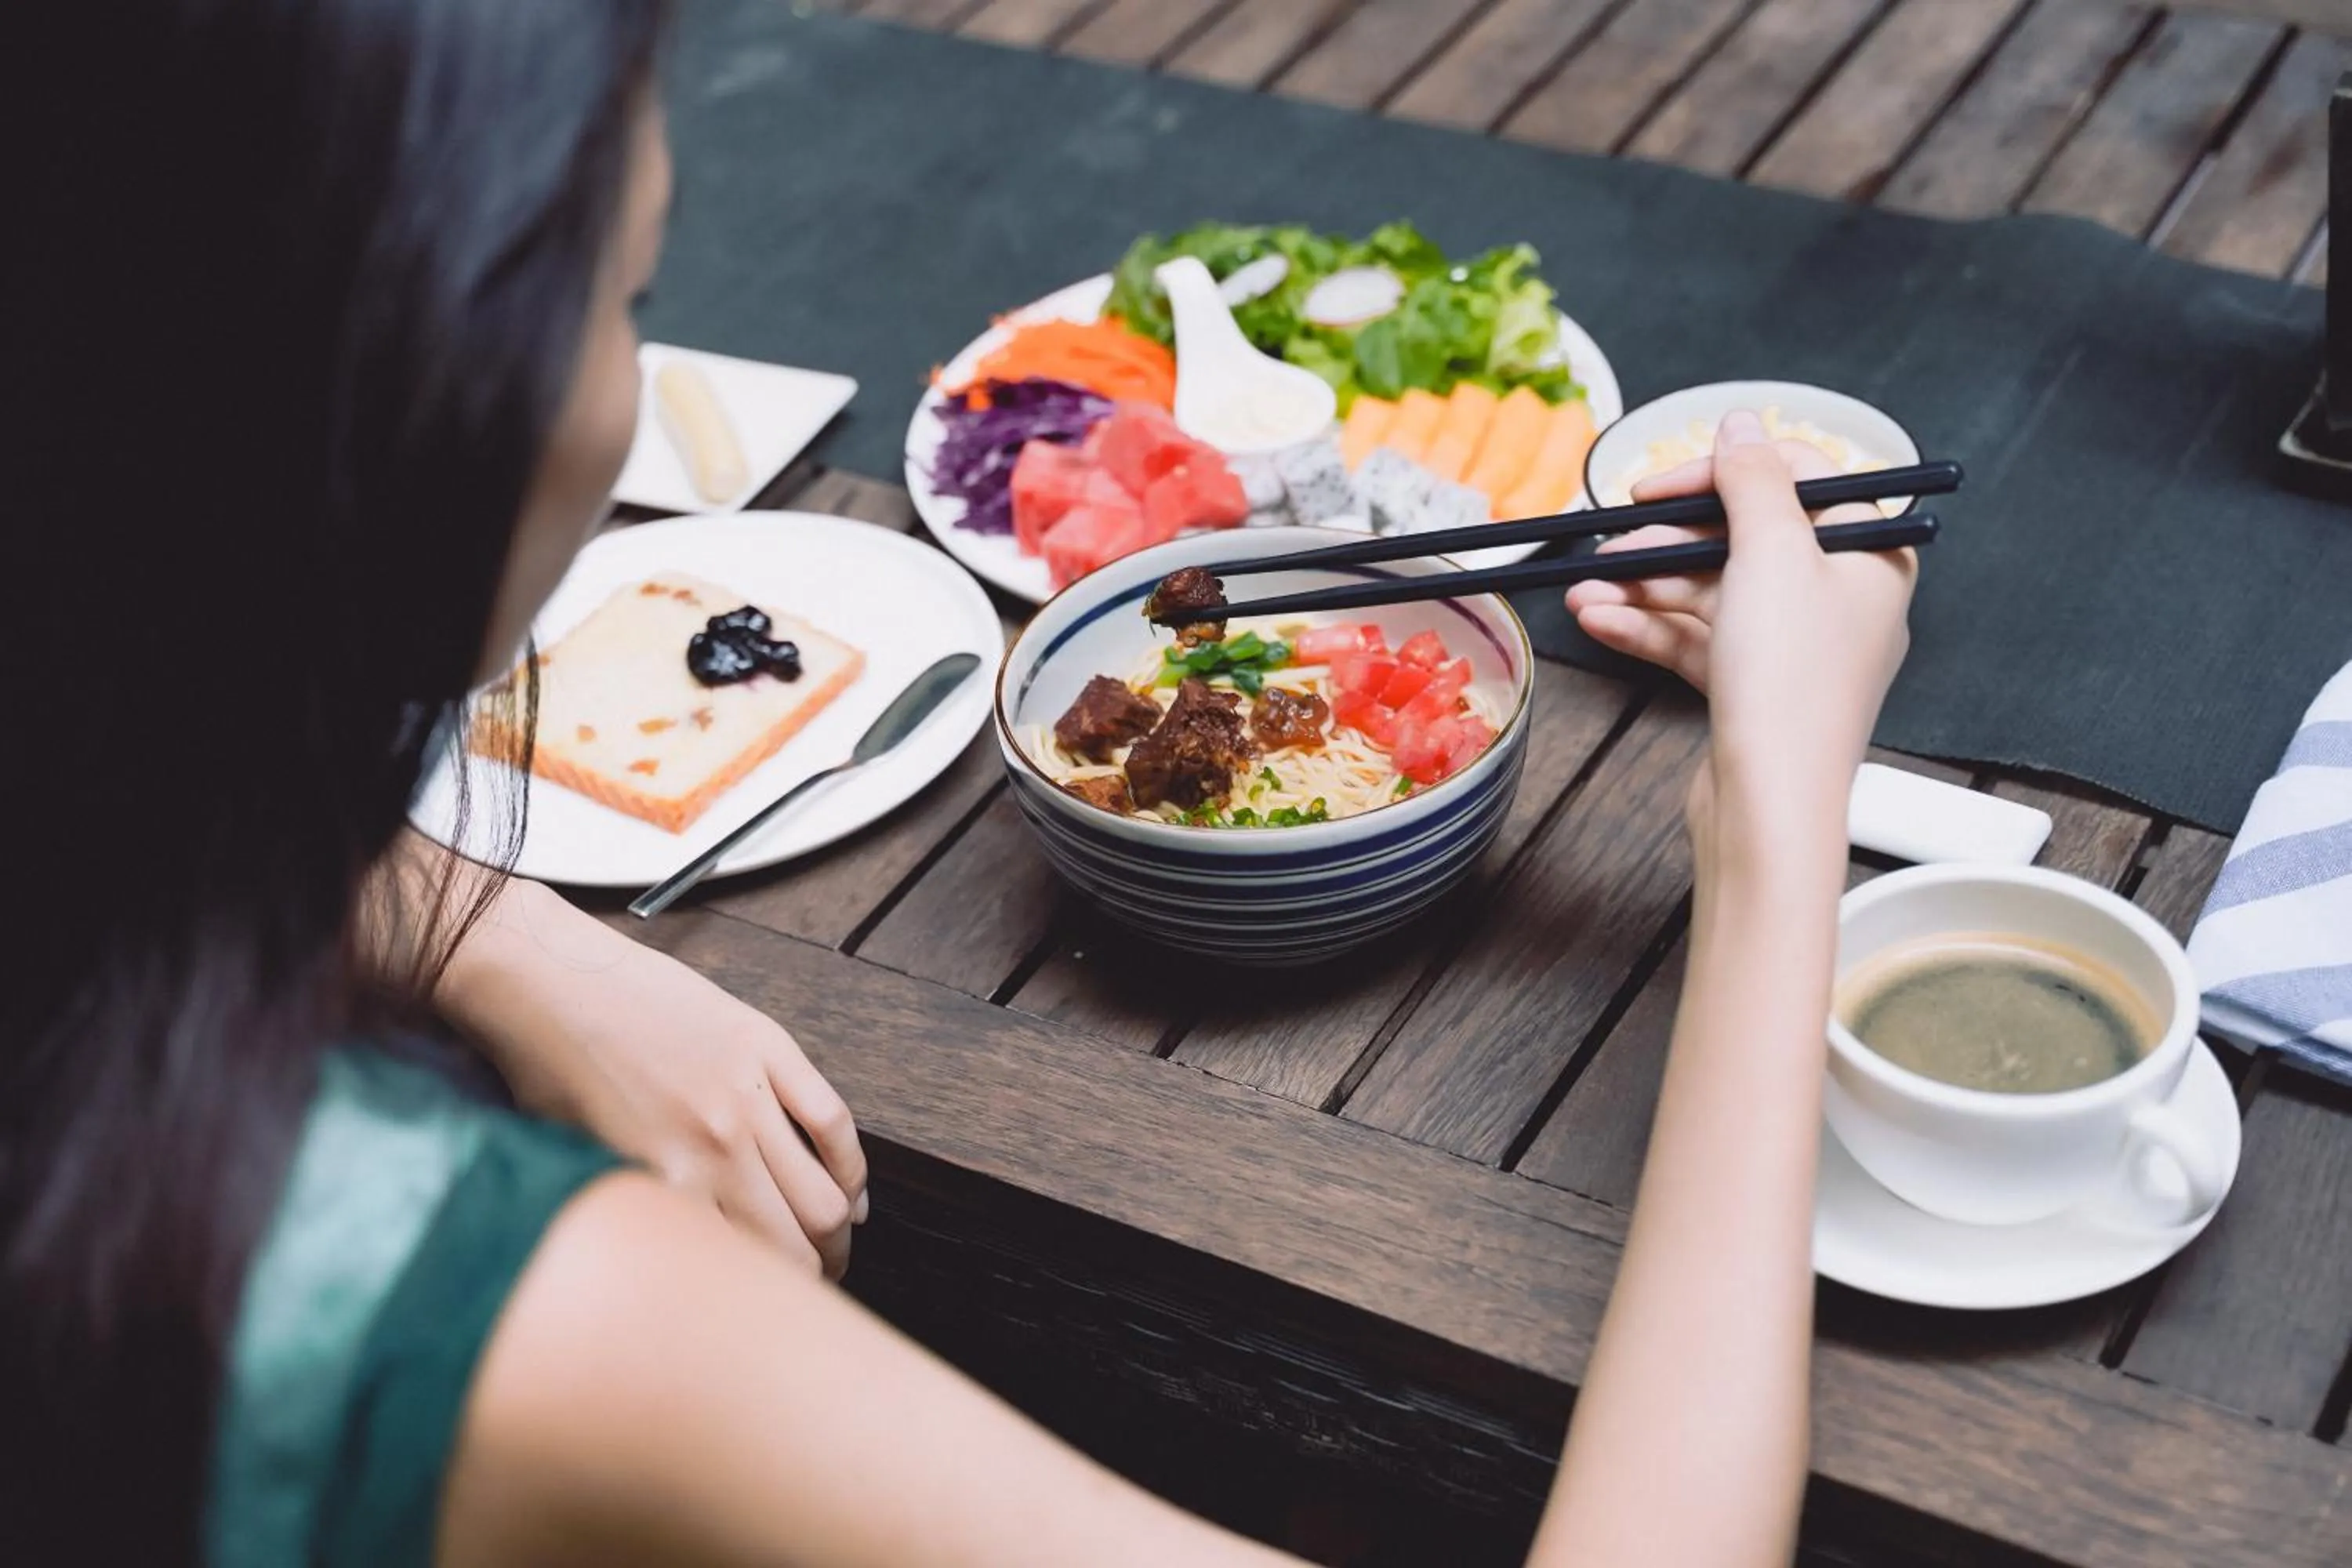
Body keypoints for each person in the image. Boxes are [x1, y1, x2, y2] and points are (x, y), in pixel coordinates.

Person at [6, 3, 1915, 1565]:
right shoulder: (528, 1310)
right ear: (415, 385)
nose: (627, 384)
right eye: (627, 302)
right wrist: (1777, 826)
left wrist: (487, 925)